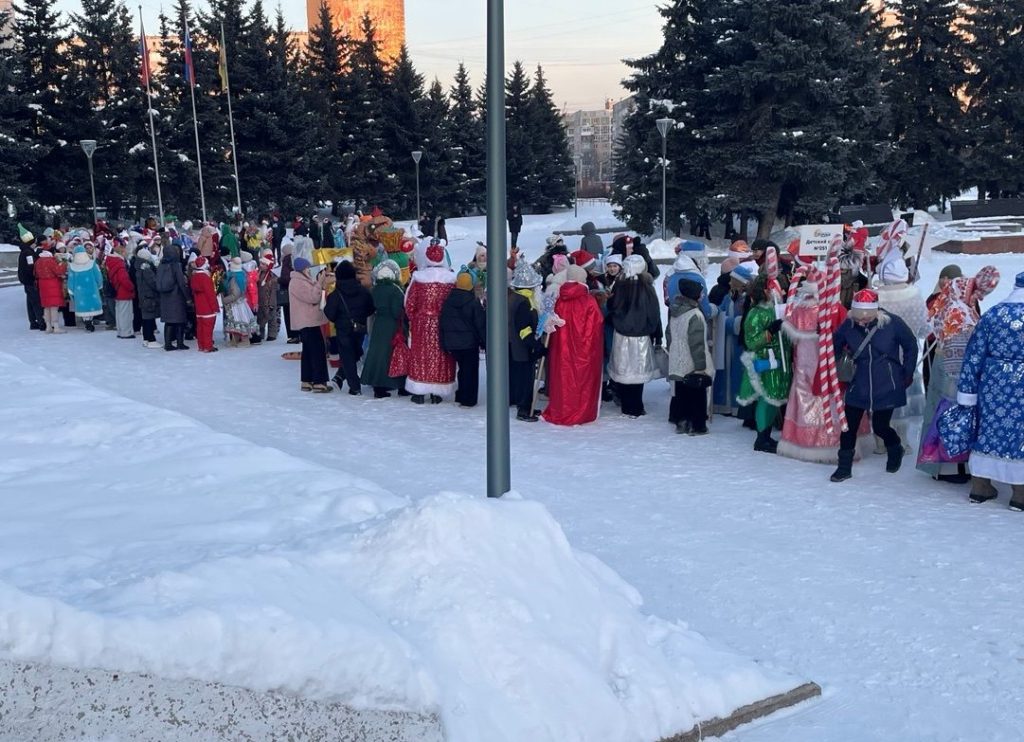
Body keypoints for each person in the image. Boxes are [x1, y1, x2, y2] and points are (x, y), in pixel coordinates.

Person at [830, 289, 919, 482]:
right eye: (858, 316)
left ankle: (895, 447)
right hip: (858, 382)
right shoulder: (848, 324)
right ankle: (844, 467)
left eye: (867, 317)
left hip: (886, 382)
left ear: (875, 312)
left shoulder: (892, 323)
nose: (861, 320)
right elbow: (834, 345)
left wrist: (907, 370)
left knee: (880, 426)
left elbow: (911, 344)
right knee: (848, 426)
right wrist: (838, 359)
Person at [956, 271, 1024, 509]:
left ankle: (980, 487)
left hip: (993, 384)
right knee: (1020, 435)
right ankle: (1020, 493)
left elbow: (973, 356)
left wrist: (966, 391)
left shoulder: (993, 315)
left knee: (987, 428)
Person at [542, 265, 605, 426]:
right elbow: (596, 324)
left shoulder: (559, 299)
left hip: (561, 349)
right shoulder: (589, 301)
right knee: (582, 380)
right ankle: (581, 410)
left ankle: (562, 408)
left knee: (563, 377)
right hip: (584, 350)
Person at [737, 275, 792, 453]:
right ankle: (762, 438)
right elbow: (751, 341)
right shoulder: (756, 313)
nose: (781, 292)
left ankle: (766, 435)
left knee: (774, 400)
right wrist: (770, 331)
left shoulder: (778, 310)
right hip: (766, 363)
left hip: (779, 363)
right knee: (766, 400)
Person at [606, 254, 662, 418]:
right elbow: (654, 312)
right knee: (638, 370)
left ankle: (626, 404)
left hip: (622, 334)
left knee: (624, 369)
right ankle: (637, 405)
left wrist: (615, 320)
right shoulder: (647, 286)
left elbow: (612, 306)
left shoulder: (620, 285)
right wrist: (654, 332)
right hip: (641, 336)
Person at [405, 241, 457, 404]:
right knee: (441, 356)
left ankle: (419, 391)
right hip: (443, 324)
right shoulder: (451, 279)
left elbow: (409, 303)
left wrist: (413, 319)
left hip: (422, 323)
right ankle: (438, 391)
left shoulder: (419, 278)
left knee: (421, 356)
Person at [666, 279, 713, 435]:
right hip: (691, 362)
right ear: (695, 296)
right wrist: (700, 365)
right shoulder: (695, 315)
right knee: (697, 394)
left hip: (677, 359)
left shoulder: (675, 312)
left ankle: (681, 421)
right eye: (701, 293)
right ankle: (697, 425)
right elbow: (697, 343)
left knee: (680, 392)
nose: (703, 295)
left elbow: (669, 334)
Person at [323, 261, 375, 396]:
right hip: (361, 328)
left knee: (348, 358)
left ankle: (354, 387)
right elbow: (371, 308)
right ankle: (342, 377)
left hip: (343, 330)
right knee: (356, 353)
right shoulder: (363, 291)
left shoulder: (335, 295)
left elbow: (330, 314)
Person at [711, 262, 754, 416]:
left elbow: (741, 323)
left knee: (737, 375)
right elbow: (721, 311)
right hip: (727, 343)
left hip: (737, 345)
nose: (729, 283)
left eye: (732, 280)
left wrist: (726, 321)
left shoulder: (745, 300)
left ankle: (736, 406)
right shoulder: (729, 297)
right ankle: (724, 404)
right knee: (726, 374)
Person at [440, 270, 487, 407]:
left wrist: (444, 342)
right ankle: (468, 399)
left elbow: (443, 322)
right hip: (469, 343)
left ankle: (460, 395)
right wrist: (485, 341)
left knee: (462, 370)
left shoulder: (448, 301)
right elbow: (480, 324)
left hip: (452, 343)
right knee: (470, 371)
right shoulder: (473, 302)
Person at [361, 260, 408, 398]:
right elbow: (396, 311)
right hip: (393, 326)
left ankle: (378, 386)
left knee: (377, 355)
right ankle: (400, 385)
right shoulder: (395, 290)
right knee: (396, 354)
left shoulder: (375, 290)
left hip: (378, 324)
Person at [508, 259, 546, 421]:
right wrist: (536, 345)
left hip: (516, 345)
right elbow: (524, 329)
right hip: (522, 347)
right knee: (526, 378)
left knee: (523, 377)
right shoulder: (524, 302)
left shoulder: (515, 298)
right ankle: (524, 409)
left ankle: (527, 406)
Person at [288, 258, 332, 392]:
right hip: (308, 322)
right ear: (302, 269)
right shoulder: (297, 282)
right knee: (318, 351)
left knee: (308, 352)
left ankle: (307, 380)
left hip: (308, 321)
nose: (309, 270)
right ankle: (319, 382)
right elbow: (313, 297)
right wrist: (320, 284)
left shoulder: (302, 280)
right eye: (307, 268)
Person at [156, 243, 192, 351]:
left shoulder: (161, 265)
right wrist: (187, 297)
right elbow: (181, 282)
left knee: (168, 321)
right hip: (176, 296)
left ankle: (168, 343)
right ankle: (180, 343)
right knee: (179, 320)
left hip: (164, 297)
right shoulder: (176, 265)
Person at [65, 245, 103, 332]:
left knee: (83, 306)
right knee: (91, 305)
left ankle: (87, 321)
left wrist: (70, 290)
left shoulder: (72, 266)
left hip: (79, 291)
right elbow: (98, 276)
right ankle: (90, 320)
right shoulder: (92, 263)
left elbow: (71, 280)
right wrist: (99, 285)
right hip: (92, 289)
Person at [16, 226, 45, 330]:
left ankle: (33, 322)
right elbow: (31, 266)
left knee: (30, 302)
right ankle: (41, 322)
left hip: (27, 280)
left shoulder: (25, 251)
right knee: (36, 302)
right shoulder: (28, 253)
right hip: (31, 281)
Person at [189, 256, 219, 352]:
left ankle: (201, 345)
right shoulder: (205, 278)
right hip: (208, 307)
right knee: (208, 328)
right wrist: (215, 307)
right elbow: (210, 294)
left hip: (199, 307)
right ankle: (208, 346)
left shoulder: (194, 277)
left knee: (200, 327)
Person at [106, 241, 136, 339]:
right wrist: (131, 286)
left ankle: (120, 330)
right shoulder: (120, 264)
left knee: (119, 312)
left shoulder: (111, 262)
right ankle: (126, 332)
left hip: (117, 290)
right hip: (124, 291)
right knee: (125, 313)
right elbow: (123, 279)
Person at [34, 245, 67, 333]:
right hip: (52, 284)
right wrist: (63, 263)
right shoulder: (50, 261)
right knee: (54, 306)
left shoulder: (38, 261)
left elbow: (35, 273)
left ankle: (48, 327)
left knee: (46, 307)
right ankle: (56, 327)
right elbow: (59, 271)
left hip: (42, 285)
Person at [134, 246, 161, 348]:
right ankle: (151, 339)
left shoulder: (138, 266)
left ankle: (146, 339)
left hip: (142, 295)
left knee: (145, 318)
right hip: (149, 295)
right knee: (149, 318)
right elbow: (153, 282)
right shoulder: (146, 268)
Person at [257, 253, 280, 342]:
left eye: (263, 264)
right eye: (261, 264)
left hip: (269, 301)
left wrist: (272, 303)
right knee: (260, 318)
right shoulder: (258, 273)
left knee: (271, 318)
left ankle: (272, 334)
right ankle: (260, 333)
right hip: (260, 300)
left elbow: (274, 292)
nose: (261, 266)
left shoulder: (272, 277)